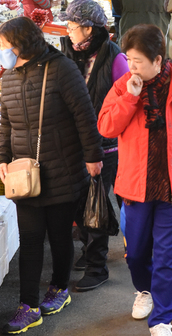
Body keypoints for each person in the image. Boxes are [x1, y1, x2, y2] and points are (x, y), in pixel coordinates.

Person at [97, 24, 172, 336]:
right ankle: (144, 290)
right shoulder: (124, 86)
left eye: (137, 61)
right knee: (135, 251)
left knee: (166, 256)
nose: (131, 66)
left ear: (158, 60)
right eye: (129, 59)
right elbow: (106, 127)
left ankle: (162, 318)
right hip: (135, 186)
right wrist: (130, 98)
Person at [0, 17, 103, 334]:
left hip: (63, 168)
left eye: (5, 47)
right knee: (31, 241)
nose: (3, 53)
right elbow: (4, 124)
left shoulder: (62, 69)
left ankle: (60, 288)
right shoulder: (8, 78)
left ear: (22, 43)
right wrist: (2, 159)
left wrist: (93, 157)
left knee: (59, 236)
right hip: (24, 174)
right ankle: (28, 306)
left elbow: (84, 116)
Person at [60, 0, 128, 292]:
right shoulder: (70, 53)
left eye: (72, 26)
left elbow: (127, 102)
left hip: (106, 146)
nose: (68, 31)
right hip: (74, 142)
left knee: (95, 204)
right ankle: (90, 252)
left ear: (89, 29)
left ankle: (97, 266)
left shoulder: (115, 58)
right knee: (79, 203)